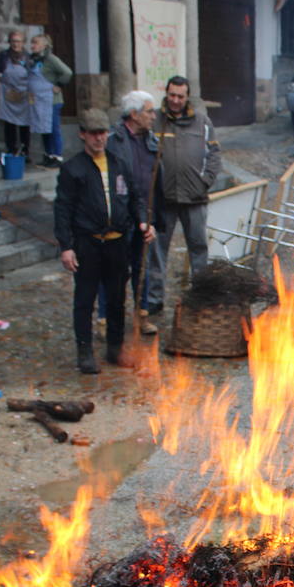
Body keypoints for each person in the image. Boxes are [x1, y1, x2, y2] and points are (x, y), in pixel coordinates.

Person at [54, 109, 155, 374]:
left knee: (116, 297)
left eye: (103, 133)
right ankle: (85, 350)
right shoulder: (72, 169)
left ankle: (115, 348)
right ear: (83, 135)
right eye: (94, 134)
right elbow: (62, 209)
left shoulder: (119, 163)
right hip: (88, 242)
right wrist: (66, 246)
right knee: (85, 298)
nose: (99, 139)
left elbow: (136, 198)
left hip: (117, 242)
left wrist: (143, 220)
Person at [143, 76, 222, 324]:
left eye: (181, 96)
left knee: (198, 248)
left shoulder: (202, 122)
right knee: (156, 252)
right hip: (163, 200)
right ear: (166, 94)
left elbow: (214, 154)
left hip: (195, 198)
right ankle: (154, 301)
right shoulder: (154, 120)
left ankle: (200, 297)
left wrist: (205, 180)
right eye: (172, 95)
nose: (176, 100)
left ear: (188, 97)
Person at [107, 90, 161, 334]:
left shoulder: (151, 140)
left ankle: (142, 315)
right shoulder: (114, 141)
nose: (153, 115)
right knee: (115, 269)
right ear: (133, 114)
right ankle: (106, 319)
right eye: (149, 111)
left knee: (143, 267)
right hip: (120, 215)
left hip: (144, 212)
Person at [29, 34, 72, 167]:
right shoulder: (34, 60)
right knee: (44, 129)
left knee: (54, 129)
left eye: (35, 43)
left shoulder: (51, 59)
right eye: (32, 43)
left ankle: (57, 156)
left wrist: (59, 85)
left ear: (44, 45)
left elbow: (67, 72)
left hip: (52, 101)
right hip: (40, 101)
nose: (32, 46)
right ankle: (48, 155)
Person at [0, 31, 33, 156]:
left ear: (23, 43)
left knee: (25, 123)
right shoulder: (3, 56)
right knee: (9, 123)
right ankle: (12, 148)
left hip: (24, 94)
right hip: (8, 93)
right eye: (13, 41)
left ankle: (25, 150)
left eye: (18, 41)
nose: (16, 44)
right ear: (9, 42)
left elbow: (33, 74)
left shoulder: (28, 57)